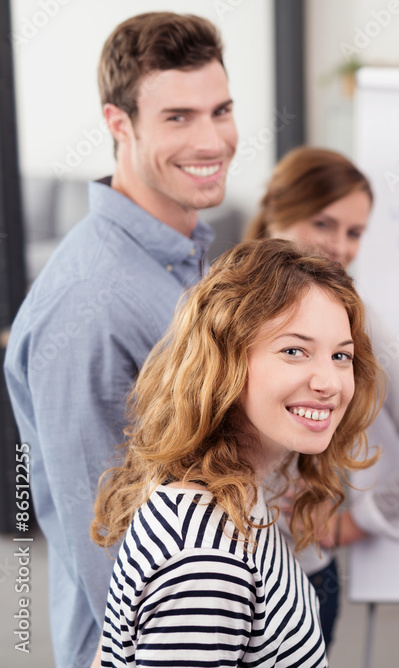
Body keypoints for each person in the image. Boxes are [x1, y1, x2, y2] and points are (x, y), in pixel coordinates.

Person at [3, 12, 235, 666]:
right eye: (178, 117)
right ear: (118, 125)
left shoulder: (180, 260)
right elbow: (105, 538)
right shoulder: (90, 302)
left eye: (220, 110)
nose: (213, 139)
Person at [91, 239, 383, 667]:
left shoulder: (231, 491)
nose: (330, 382)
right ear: (224, 362)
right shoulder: (207, 561)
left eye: (341, 355)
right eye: (293, 351)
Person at [245, 146, 399, 643]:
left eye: (355, 232)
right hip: (211, 568)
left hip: (298, 584)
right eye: (324, 223)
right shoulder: (221, 298)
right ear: (278, 208)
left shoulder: (353, 321)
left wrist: (346, 526)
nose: (339, 247)